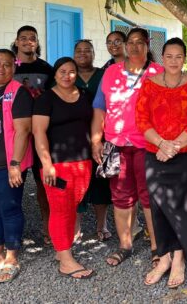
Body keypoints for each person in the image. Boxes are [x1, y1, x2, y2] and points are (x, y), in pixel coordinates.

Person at [92, 27, 163, 267]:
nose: (133, 46)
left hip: (147, 145)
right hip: (116, 144)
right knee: (121, 196)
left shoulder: (158, 72)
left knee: (149, 196)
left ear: (147, 44)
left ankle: (157, 247)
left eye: (139, 42)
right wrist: (96, 140)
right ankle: (125, 245)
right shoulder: (111, 72)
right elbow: (99, 108)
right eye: (130, 42)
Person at [136, 37, 187, 288]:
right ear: (162, 58)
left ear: (184, 58)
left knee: (183, 209)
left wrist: (174, 147)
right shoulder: (149, 84)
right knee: (159, 207)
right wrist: (162, 144)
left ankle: (179, 260)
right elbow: (141, 119)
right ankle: (164, 258)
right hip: (156, 154)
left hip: (185, 156)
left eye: (179, 56)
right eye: (169, 56)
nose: (174, 61)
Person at [32, 57, 95, 279]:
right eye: (62, 71)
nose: (67, 75)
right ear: (55, 74)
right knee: (60, 209)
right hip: (56, 164)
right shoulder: (46, 99)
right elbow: (38, 132)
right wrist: (46, 164)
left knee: (71, 207)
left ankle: (62, 250)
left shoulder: (85, 95)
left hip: (83, 162)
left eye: (71, 71)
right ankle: (66, 261)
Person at [0, 49, 33, 283]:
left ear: (14, 68)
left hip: (7, 165)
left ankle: (12, 257)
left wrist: (15, 164)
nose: (1, 68)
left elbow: (23, 130)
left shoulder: (18, 92)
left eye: (7, 64)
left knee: (9, 209)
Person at [12, 25, 53, 245]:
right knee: (13, 182)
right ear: (16, 41)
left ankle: (48, 228)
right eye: (23, 38)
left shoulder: (46, 68)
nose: (28, 41)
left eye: (32, 38)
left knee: (42, 184)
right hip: (15, 132)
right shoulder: (10, 67)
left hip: (39, 132)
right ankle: (12, 231)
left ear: (37, 42)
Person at [74, 40, 111, 242]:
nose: (83, 54)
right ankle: (76, 226)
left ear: (94, 54)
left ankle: (102, 224)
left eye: (87, 50)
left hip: (101, 135)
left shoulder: (104, 75)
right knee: (77, 180)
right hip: (75, 138)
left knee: (100, 180)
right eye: (78, 51)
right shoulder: (67, 75)